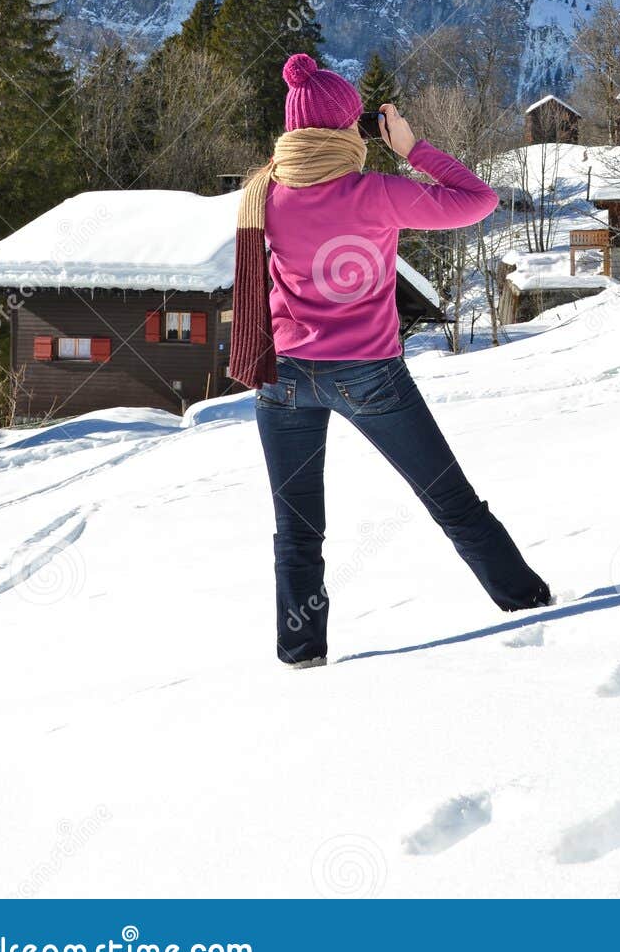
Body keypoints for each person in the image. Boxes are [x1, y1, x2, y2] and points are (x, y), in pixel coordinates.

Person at [230, 54, 551, 667]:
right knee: (450, 501)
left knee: (297, 530)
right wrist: (412, 146)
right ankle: (530, 603)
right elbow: (477, 200)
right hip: (369, 374)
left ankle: (302, 655)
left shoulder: (262, 195)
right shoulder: (373, 192)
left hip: (285, 377)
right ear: (348, 131)